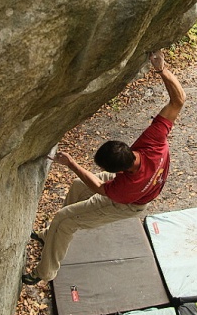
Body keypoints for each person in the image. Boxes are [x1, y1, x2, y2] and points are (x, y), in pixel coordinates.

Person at [22, 50, 185, 285]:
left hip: (129, 204)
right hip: (141, 184)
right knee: (78, 188)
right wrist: (161, 69)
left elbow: (99, 187)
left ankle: (44, 273)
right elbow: (178, 100)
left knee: (65, 219)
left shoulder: (124, 188)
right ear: (127, 149)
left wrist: (71, 164)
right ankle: (51, 236)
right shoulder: (154, 142)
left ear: (119, 172)